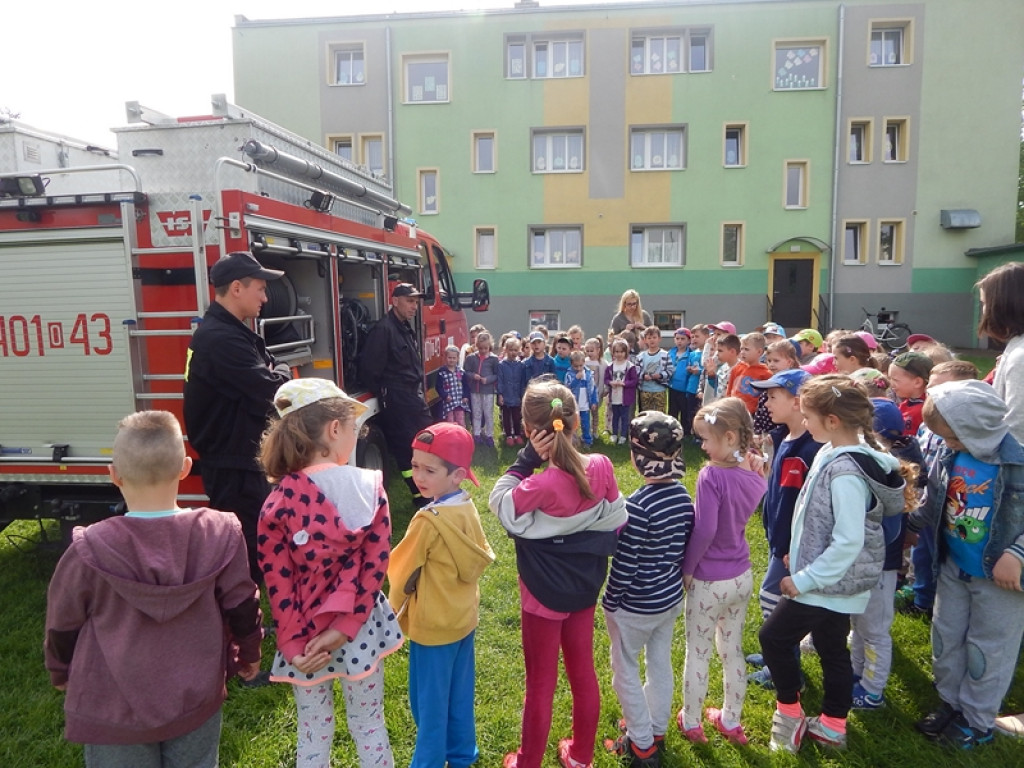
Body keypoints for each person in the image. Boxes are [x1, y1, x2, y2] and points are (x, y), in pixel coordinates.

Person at [45, 411, 263, 767]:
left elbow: (62, 623)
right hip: (196, 698)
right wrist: (249, 652)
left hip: (113, 708)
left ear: (114, 475)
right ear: (185, 467)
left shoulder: (90, 549)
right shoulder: (221, 532)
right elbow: (242, 604)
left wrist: (60, 669)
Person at [759, 375, 908, 753]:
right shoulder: (833, 452)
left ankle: (789, 714)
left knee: (773, 638)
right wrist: (800, 550)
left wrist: (805, 577)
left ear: (832, 420)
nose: (804, 422)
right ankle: (831, 725)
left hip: (827, 582)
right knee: (830, 647)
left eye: (808, 416)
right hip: (833, 578)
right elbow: (816, 518)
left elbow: (847, 541)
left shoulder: (846, 472)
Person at [258, 379, 400, 768]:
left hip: (303, 635)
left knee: (312, 729)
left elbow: (277, 580)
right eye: (354, 427)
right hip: (360, 629)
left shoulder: (277, 500)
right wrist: (347, 625)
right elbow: (375, 568)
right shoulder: (370, 487)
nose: (356, 434)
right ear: (334, 429)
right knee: (369, 723)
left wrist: (290, 645)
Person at [489, 379, 628, 768]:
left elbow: (500, 504)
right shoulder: (600, 466)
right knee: (583, 672)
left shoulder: (539, 483)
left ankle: (528, 760)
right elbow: (617, 519)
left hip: (541, 595)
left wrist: (524, 461)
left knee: (540, 683)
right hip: (585, 587)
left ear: (532, 432)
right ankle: (581, 757)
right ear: (575, 422)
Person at [909, 380, 1024, 748]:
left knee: (987, 648)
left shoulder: (1017, 461)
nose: (947, 442)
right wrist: (906, 526)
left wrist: (1017, 555)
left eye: (953, 437)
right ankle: (951, 702)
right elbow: (934, 499)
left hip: (999, 578)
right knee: (946, 636)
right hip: (953, 567)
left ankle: (977, 719)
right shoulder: (949, 452)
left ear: (977, 426)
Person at [389, 422, 495, 768]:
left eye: (429, 469)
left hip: (432, 628)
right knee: (460, 694)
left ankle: (428, 762)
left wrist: (389, 614)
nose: (418, 475)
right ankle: (463, 754)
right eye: (415, 465)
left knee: (429, 705)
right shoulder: (467, 508)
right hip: (464, 620)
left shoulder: (427, 520)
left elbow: (400, 573)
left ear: (458, 475)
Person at [183, 250, 291, 583]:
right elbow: (272, 392)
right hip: (233, 466)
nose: (265, 297)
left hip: (238, 460)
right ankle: (243, 618)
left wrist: (275, 373)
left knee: (253, 542)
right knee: (245, 550)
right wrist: (282, 372)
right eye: (260, 288)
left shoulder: (229, 332)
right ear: (236, 288)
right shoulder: (221, 338)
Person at [602, 412, 694, 768]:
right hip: (669, 599)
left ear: (637, 458)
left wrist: (611, 599)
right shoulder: (684, 496)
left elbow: (625, 564)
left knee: (624, 669)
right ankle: (655, 727)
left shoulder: (637, 507)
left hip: (635, 605)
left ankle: (640, 744)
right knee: (659, 664)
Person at [678, 398, 767, 746]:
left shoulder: (711, 474)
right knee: (731, 649)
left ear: (730, 437)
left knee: (698, 650)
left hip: (709, 579)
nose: (701, 445)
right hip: (741, 576)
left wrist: (688, 568)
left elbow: (705, 530)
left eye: (706, 438)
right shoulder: (754, 470)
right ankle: (731, 720)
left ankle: (691, 719)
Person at [744, 369, 821, 690]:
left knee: (773, 601)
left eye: (773, 396)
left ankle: (785, 670)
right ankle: (777, 654)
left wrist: (793, 545)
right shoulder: (785, 437)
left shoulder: (811, 448)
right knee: (775, 601)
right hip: (780, 539)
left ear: (798, 402)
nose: (766, 402)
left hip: (794, 544)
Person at [847, 398, 923, 710]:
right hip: (864, 564)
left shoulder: (886, 473)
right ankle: (857, 675)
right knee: (859, 624)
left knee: (874, 628)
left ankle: (873, 689)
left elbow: (888, 531)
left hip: (880, 566)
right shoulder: (880, 465)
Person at [360, 282, 434, 505]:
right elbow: (370, 371)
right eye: (410, 301)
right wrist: (388, 394)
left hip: (412, 397)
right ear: (395, 301)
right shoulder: (384, 330)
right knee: (406, 450)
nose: (414, 306)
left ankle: (427, 490)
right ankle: (420, 496)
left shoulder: (403, 326)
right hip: (398, 400)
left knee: (425, 444)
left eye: (416, 302)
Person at [464, 330, 499, 447]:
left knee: (488, 414)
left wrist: (488, 379)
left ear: (490, 346)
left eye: (486, 348)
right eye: (480, 348)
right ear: (476, 346)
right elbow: (466, 372)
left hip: (488, 391)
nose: (483, 351)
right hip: (475, 390)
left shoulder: (494, 359)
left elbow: (497, 375)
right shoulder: (471, 358)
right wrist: (473, 376)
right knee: (476, 413)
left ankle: (489, 435)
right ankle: (477, 434)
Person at [888, 351, 934, 436]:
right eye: (890, 379)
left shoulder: (925, 411)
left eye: (895, 380)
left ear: (917, 382)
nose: (891, 384)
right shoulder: (905, 404)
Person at [727, 332, 772, 414]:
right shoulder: (737, 368)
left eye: (746, 349)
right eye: (742, 349)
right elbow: (729, 390)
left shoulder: (766, 373)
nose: (743, 352)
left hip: (752, 413)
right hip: (734, 410)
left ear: (759, 352)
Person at [605, 338, 639, 445]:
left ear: (626, 352)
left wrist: (625, 384)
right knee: (615, 416)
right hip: (614, 396)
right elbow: (606, 379)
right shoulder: (610, 366)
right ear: (613, 353)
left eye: (621, 352)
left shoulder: (630, 366)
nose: (619, 354)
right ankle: (614, 434)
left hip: (625, 397)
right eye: (616, 352)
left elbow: (634, 381)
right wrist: (611, 382)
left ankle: (624, 435)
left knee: (625, 417)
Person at [635, 326, 673, 414]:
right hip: (645, 390)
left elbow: (670, 370)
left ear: (659, 339)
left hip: (659, 390)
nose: (652, 340)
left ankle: (659, 428)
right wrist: (643, 376)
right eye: (649, 338)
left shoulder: (665, 355)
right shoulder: (640, 356)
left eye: (654, 337)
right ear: (645, 340)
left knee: (660, 415)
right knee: (646, 414)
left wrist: (660, 375)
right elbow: (637, 371)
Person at [565, 350, 599, 447]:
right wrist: (576, 378)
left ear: (584, 362)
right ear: (572, 364)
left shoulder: (588, 373)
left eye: (581, 365)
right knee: (573, 423)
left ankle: (587, 440)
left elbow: (593, 388)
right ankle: (573, 440)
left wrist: (593, 401)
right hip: (574, 404)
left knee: (585, 423)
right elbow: (568, 388)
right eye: (576, 366)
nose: (579, 368)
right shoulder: (569, 374)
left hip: (585, 404)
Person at [498, 336, 527, 446]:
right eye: (510, 350)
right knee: (506, 416)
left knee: (516, 416)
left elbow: (522, 381)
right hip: (506, 394)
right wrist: (500, 394)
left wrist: (522, 395)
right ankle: (509, 435)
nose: (513, 353)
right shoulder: (501, 365)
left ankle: (517, 434)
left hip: (516, 395)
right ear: (505, 350)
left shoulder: (521, 365)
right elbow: (500, 380)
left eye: (515, 350)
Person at [437, 345, 470, 427]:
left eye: (454, 358)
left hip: (459, 402)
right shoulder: (442, 372)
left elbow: (466, 385)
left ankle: (462, 437)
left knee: (461, 421)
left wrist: (465, 396)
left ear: (458, 358)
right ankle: (451, 437)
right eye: (449, 357)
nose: (451, 360)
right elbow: (438, 387)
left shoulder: (461, 371)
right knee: (450, 422)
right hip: (449, 403)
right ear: (445, 358)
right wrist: (444, 396)